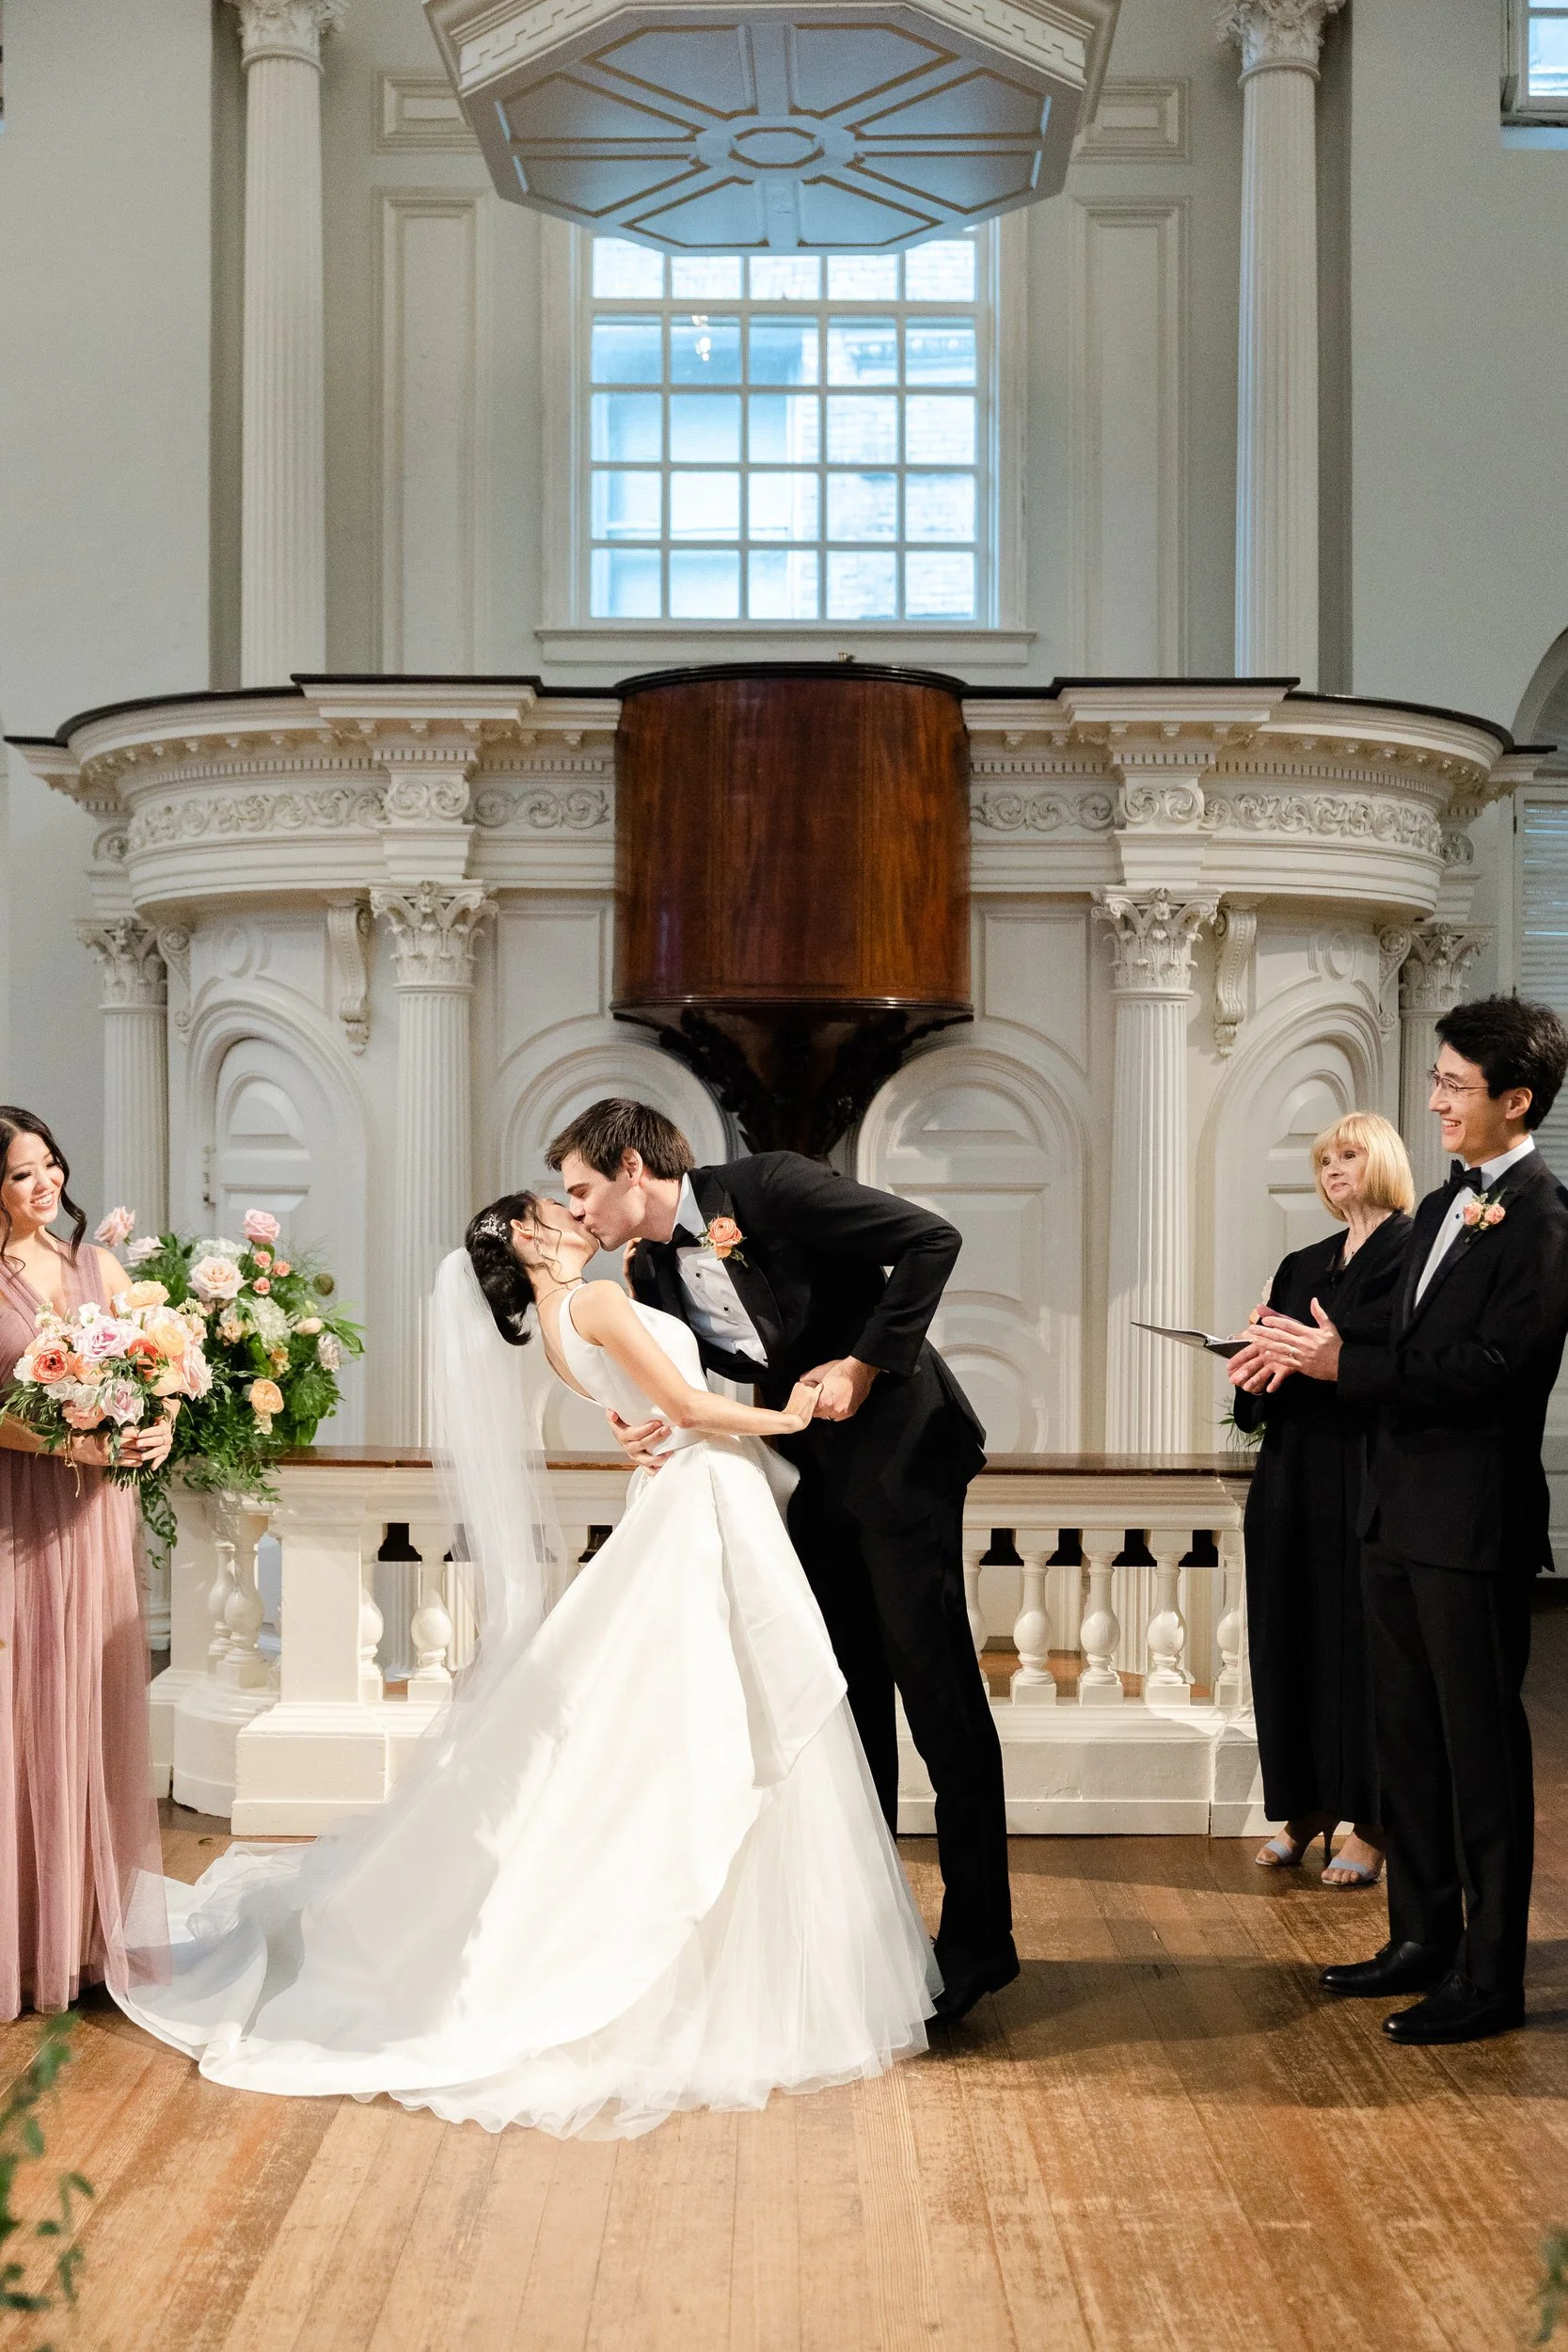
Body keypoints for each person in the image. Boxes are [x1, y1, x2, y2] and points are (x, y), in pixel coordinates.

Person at [111, 1196, 939, 2135]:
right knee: (713, 1717)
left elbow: (644, 1402)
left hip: (685, 1491)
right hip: (701, 1489)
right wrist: (788, 1419)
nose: (572, 1208)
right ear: (529, 1241)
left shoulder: (559, 1322)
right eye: (554, 1207)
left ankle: (741, 1952)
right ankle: (747, 1970)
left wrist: (666, 1415)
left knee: (687, 1716)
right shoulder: (586, 1303)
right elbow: (674, 1403)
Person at [546, 1099, 1016, 2024]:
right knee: (841, 1699)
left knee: (937, 1695)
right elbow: (674, 1378)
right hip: (816, 1474)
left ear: (633, 1168)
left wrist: (860, 1365)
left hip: (902, 1452)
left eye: (582, 1190)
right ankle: (874, 1938)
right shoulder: (645, 1268)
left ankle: (977, 1943)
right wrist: (627, 1415)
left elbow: (933, 1239)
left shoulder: (769, 1184)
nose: (576, 1214)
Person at [1245, 997, 1568, 2044]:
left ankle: (1489, 1977)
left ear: (1513, 1100)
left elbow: (1492, 1370)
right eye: (1431, 1079)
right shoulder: (1437, 1209)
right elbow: (1381, 1328)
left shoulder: (1543, 1217)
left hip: (1471, 1523)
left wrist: (1350, 1363)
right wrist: (1291, 1350)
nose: (1432, 1099)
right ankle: (1419, 1940)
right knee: (1408, 1747)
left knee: (1480, 1759)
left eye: (1452, 1084)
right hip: (1390, 1512)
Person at [0, 1108, 169, 2017]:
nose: (46, 1184)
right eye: (23, 1173)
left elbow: (156, 1370)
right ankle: (22, 1944)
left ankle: (89, 1939)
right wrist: (66, 1446)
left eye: (51, 1164)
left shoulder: (96, 1268)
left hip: (96, 1522)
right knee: (20, 1714)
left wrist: (159, 1423)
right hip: (18, 1518)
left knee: (90, 1711)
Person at [1228, 1113, 1414, 1888]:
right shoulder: (1300, 1261)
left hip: (1370, 1468)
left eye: (1348, 1154)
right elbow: (1262, 1396)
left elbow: (1404, 1367)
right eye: (1323, 1161)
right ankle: (1302, 1809)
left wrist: (1328, 1360)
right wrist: (1246, 1365)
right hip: (1292, 1470)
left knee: (1365, 1647)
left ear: (1383, 1162)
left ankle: (1371, 1824)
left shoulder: (1413, 1253)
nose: (1333, 1169)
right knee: (1287, 1637)